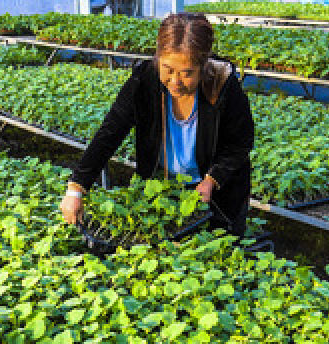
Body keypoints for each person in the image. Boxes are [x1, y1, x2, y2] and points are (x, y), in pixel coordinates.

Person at [59, 12, 254, 236]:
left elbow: (240, 142)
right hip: (162, 191)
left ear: (203, 66)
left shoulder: (222, 84)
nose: (175, 81)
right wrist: (76, 188)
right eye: (168, 70)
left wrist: (212, 180)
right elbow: (110, 132)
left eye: (187, 73)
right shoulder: (144, 81)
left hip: (218, 197)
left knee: (215, 251)